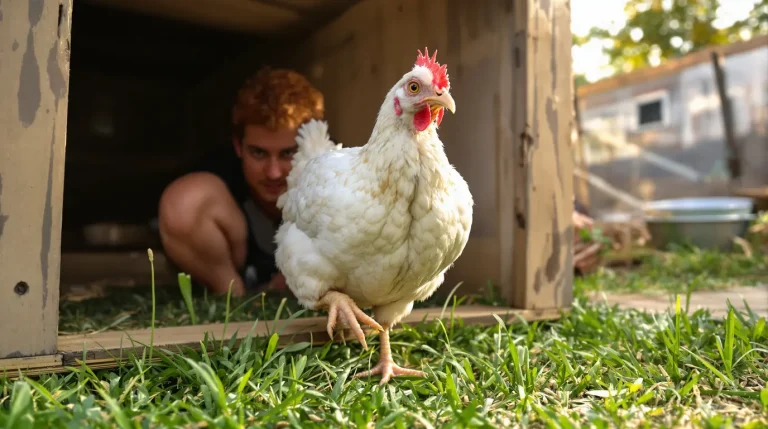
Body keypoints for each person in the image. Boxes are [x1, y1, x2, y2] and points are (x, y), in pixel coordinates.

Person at [157, 67, 325, 297]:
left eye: (288, 154)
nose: (273, 172)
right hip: (237, 271)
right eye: (258, 153)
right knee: (183, 201)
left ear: (311, 145)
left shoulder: (334, 170)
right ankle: (231, 295)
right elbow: (180, 213)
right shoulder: (220, 169)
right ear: (238, 146)